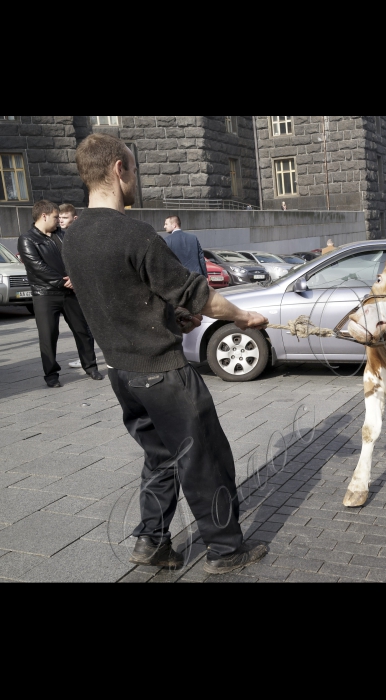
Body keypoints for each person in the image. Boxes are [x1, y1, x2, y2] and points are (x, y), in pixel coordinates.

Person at [63, 133, 269, 574]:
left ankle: (151, 543)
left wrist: (173, 319)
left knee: (160, 459)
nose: (136, 178)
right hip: (165, 375)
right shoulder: (134, 233)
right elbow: (200, 295)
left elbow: (118, 298)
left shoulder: (73, 235)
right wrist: (242, 317)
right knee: (204, 459)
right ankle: (226, 550)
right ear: (119, 169)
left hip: (123, 373)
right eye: (133, 169)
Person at [18, 201, 102, 388]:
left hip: (70, 293)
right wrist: (66, 281)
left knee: (83, 331)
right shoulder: (27, 239)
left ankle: (91, 366)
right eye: (56, 217)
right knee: (48, 336)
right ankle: (51, 375)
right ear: (44, 216)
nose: (59, 221)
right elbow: (38, 268)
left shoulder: (64, 236)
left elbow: (78, 259)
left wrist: (75, 277)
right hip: (45, 294)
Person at [59, 204, 88, 369]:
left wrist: (75, 278)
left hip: (83, 287)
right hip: (74, 286)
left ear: (74, 218)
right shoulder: (62, 235)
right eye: (60, 218)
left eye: (65, 218)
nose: (61, 221)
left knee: (86, 326)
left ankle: (86, 358)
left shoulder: (78, 236)